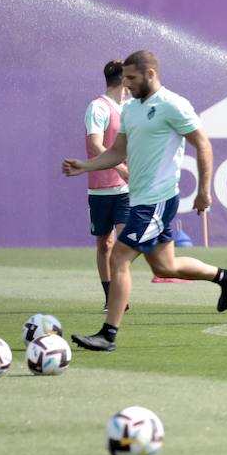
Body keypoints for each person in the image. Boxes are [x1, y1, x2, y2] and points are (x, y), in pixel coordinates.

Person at [63, 50, 227, 352]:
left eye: (132, 78)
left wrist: (204, 190)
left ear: (150, 74)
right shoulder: (131, 108)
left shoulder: (173, 105)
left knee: (119, 257)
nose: (127, 84)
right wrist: (86, 165)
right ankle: (225, 277)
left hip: (157, 201)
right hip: (141, 200)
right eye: (125, 80)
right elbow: (117, 152)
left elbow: (203, 145)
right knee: (164, 266)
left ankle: (108, 334)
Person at [84, 60, 131, 311]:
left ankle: (121, 296)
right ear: (124, 80)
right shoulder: (98, 107)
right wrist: (120, 167)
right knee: (105, 244)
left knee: (124, 243)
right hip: (101, 188)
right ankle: (110, 296)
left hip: (125, 190)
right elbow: (95, 145)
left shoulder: (132, 108)